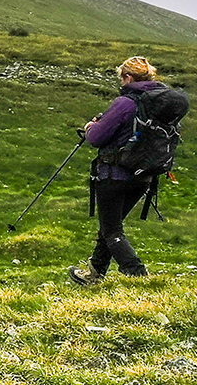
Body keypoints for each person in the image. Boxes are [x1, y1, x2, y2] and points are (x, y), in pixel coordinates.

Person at [69, 56, 166, 284]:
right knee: (110, 226)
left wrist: (92, 127)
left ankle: (137, 273)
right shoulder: (158, 105)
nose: (121, 83)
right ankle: (95, 273)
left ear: (128, 77)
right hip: (144, 177)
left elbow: (96, 138)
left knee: (112, 230)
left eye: (122, 78)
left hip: (114, 174)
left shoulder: (125, 103)